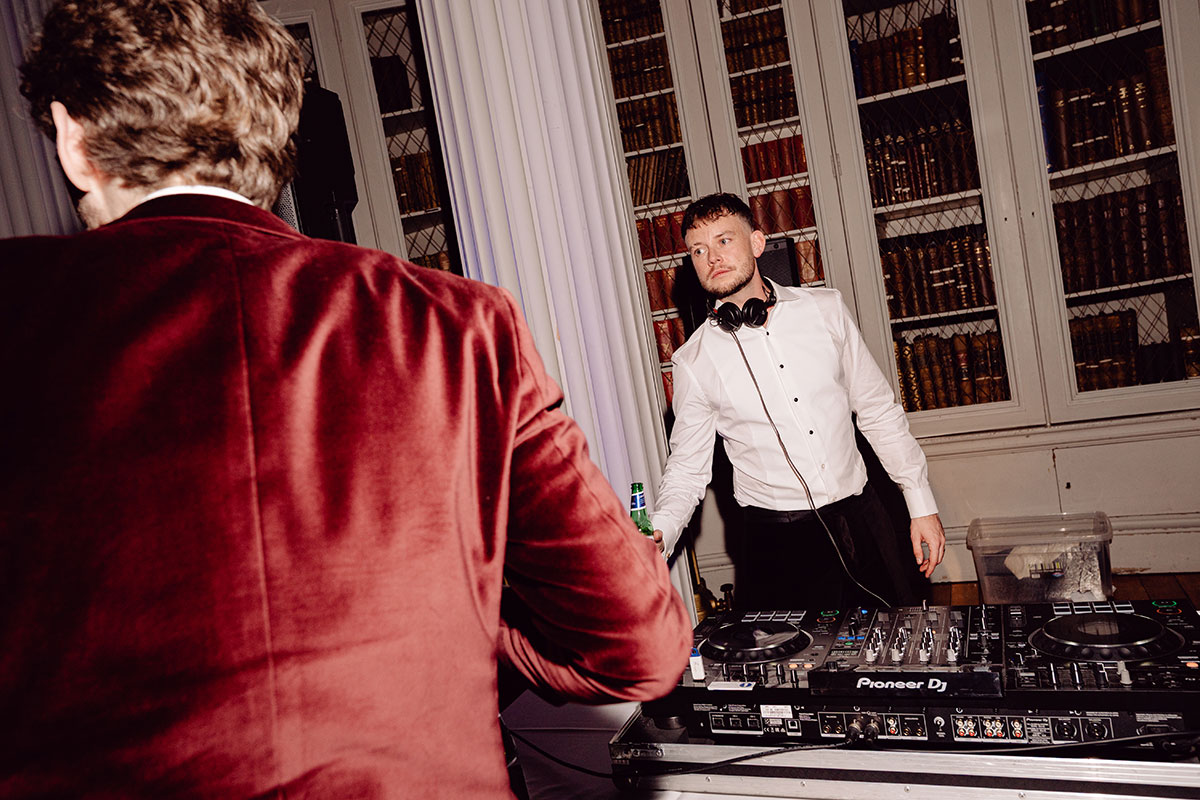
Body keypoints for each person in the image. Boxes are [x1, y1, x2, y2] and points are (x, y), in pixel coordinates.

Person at [0, 1, 691, 797]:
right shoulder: (453, 323)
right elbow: (638, 640)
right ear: (273, 141)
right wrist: (456, 617)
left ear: (73, 139)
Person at [651, 193, 945, 610]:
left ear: (756, 243)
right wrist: (662, 528)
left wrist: (920, 503)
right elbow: (686, 469)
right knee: (796, 671)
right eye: (699, 249)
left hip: (863, 521)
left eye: (724, 241)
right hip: (777, 545)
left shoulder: (825, 310)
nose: (711, 257)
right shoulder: (693, 362)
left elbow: (878, 410)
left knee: (900, 652)